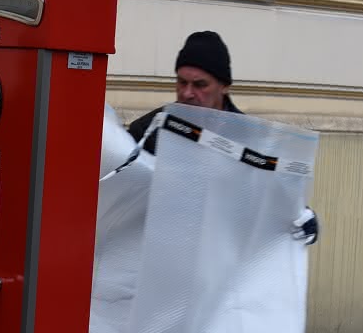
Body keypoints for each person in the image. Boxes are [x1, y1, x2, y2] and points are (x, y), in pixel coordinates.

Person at [127, 30, 319, 245]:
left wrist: (303, 221)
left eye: (200, 85)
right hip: (164, 252)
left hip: (222, 257)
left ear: (224, 86)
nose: (187, 93)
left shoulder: (252, 140)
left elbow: (274, 202)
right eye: (181, 82)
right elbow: (120, 196)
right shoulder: (148, 131)